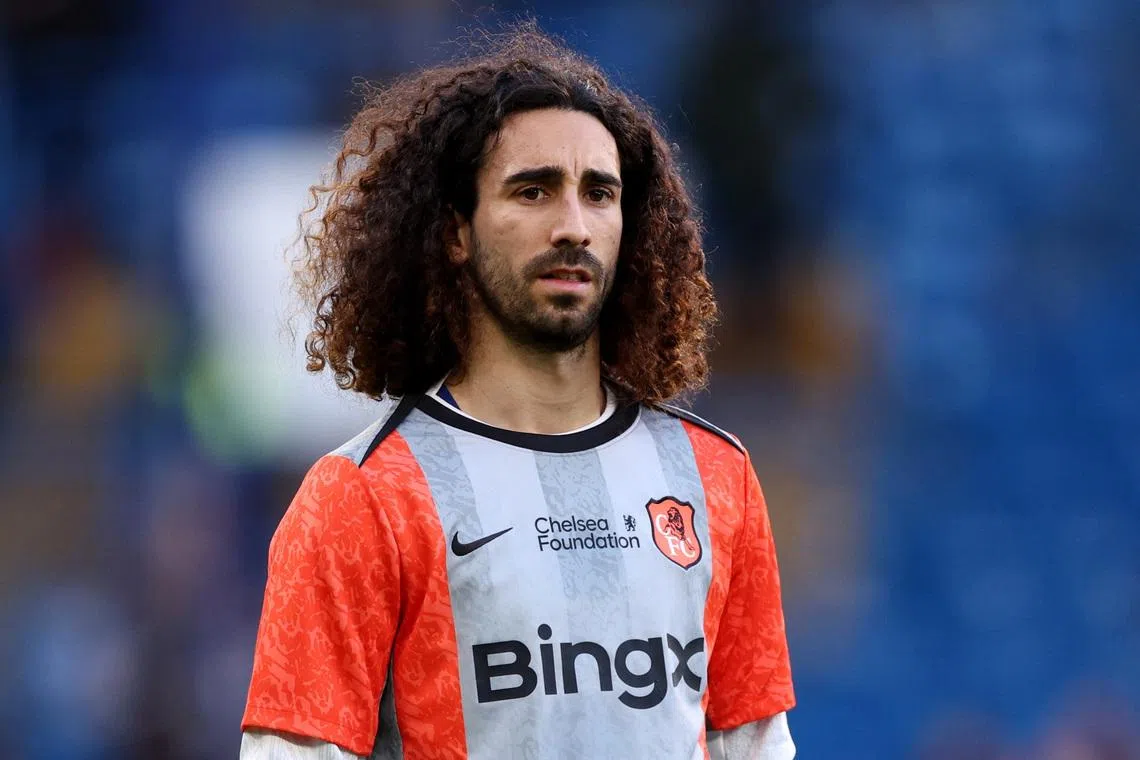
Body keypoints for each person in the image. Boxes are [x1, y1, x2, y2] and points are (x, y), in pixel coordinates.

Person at [240, 24, 796, 760]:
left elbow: (756, 747)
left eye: (599, 194)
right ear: (455, 233)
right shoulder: (364, 497)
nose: (573, 226)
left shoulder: (717, 478)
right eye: (533, 191)